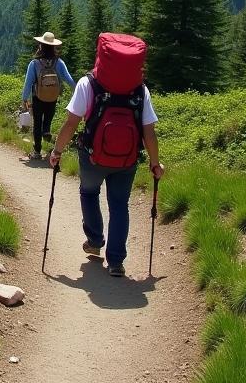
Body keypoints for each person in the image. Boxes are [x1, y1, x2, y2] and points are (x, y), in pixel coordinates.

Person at [49, 73, 165, 278]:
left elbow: (71, 123)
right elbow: (149, 131)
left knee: (89, 192)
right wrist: (154, 163)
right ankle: (116, 262)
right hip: (126, 160)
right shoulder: (140, 89)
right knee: (120, 205)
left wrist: (57, 151)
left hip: (92, 157)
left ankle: (94, 241)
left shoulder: (88, 83)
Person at [20, 31, 75, 160]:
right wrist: (76, 93)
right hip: (53, 97)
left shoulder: (35, 63)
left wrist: (24, 99)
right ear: (53, 47)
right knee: (47, 120)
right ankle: (47, 132)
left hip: (38, 97)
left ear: (41, 46)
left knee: (37, 123)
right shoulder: (59, 62)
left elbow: (28, 83)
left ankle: (37, 152)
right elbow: (69, 80)